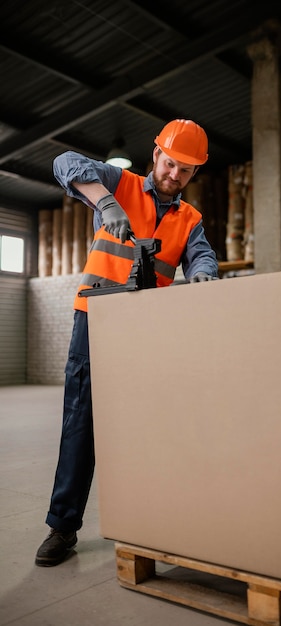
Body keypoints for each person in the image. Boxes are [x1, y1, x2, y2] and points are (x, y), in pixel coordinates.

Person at [35, 119, 218, 567]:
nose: (175, 175)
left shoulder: (189, 219)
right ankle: (63, 526)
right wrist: (107, 203)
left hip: (148, 328)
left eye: (186, 170)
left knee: (149, 426)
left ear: (195, 174)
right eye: (171, 163)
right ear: (156, 154)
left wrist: (202, 275)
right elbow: (64, 162)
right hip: (94, 318)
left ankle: (149, 522)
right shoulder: (121, 182)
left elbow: (203, 254)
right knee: (82, 421)